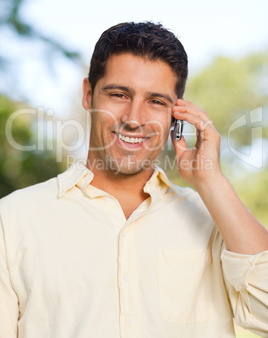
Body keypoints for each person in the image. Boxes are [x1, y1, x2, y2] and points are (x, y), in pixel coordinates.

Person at [0, 22, 268, 338]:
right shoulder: (13, 219)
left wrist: (211, 181)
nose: (133, 118)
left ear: (177, 115)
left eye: (156, 101)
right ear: (88, 94)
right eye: (118, 94)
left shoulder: (214, 218)